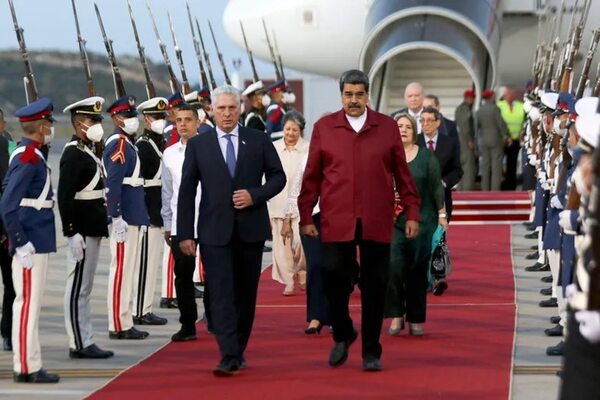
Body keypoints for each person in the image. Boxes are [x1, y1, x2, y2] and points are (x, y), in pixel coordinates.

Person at [298, 69, 420, 372]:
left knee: (375, 286)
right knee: (332, 276)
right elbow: (311, 177)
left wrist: (412, 212)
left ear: (368, 95)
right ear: (341, 95)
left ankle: (371, 351)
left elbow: (403, 177)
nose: (353, 100)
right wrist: (305, 215)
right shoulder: (324, 128)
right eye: (348, 94)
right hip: (335, 219)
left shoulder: (387, 127)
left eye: (359, 94)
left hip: (376, 220)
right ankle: (342, 332)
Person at [177, 85, 286, 376]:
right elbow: (186, 191)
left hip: (250, 230)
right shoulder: (200, 145)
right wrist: (185, 233)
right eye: (221, 108)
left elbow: (278, 177)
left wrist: (255, 194)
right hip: (214, 232)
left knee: (245, 294)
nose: (226, 114)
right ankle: (228, 353)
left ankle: (237, 347)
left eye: (231, 108)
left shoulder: (258, 139)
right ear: (211, 110)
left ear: (240, 108)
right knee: (221, 293)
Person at [1, 98, 59, 383]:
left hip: (37, 238)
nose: (51, 129)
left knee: (31, 305)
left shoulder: (34, 154)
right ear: (41, 126)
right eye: (49, 124)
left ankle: (30, 362)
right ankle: (26, 366)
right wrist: (19, 241)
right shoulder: (27, 157)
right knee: (26, 305)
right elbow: (8, 203)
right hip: (30, 242)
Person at [58, 96, 114, 359]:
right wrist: (71, 231)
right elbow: (65, 195)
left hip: (93, 225)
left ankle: (85, 337)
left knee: (85, 287)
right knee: (78, 287)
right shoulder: (72, 153)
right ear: (79, 123)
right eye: (93, 120)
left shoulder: (88, 150)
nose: (97, 125)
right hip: (81, 227)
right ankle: (79, 342)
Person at [385, 113, 447, 336]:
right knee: (393, 267)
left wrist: (442, 215)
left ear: (414, 132)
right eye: (398, 126)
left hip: (422, 220)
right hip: (392, 222)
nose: (402, 130)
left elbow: (436, 188)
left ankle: (416, 318)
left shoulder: (426, 158)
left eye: (407, 127)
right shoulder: (386, 157)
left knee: (417, 271)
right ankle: (395, 315)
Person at [103, 95, 150, 340]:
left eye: (134, 115)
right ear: (117, 119)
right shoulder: (119, 144)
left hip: (133, 214)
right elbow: (113, 182)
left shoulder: (126, 143)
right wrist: (116, 215)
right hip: (125, 217)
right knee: (121, 269)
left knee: (127, 269)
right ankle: (118, 324)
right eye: (128, 116)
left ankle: (125, 319)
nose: (133, 120)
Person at [161, 103, 203, 342]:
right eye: (179, 120)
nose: (183, 124)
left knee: (215, 275)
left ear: (198, 122)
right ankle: (187, 324)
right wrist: (168, 222)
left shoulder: (210, 149)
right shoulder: (169, 154)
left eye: (188, 119)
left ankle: (216, 319)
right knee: (183, 276)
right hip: (181, 223)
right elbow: (167, 192)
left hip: (208, 220)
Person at [282, 150, 330, 334]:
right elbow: (296, 190)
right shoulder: (307, 156)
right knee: (316, 265)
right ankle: (316, 317)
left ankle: (335, 314)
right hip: (312, 217)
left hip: (340, 216)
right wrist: (287, 219)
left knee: (336, 267)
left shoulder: (348, 151)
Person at [133, 97, 170, 326]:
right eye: (157, 117)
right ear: (146, 119)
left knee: (152, 261)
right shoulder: (143, 145)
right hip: (148, 211)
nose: (161, 121)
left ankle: (145, 307)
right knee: (145, 264)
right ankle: (140, 310)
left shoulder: (158, 141)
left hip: (158, 211)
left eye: (162, 117)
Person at [268, 110, 308, 295]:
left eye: (295, 130)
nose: (291, 133)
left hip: (301, 204)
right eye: (288, 129)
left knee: (301, 242)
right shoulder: (273, 148)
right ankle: (288, 281)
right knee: (282, 247)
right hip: (278, 202)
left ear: (301, 131)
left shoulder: (308, 149)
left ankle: (302, 270)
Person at [417, 106, 463, 219]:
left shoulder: (450, 143)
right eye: (422, 120)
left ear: (438, 122)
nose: (425, 123)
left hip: (442, 199)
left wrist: (444, 183)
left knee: (440, 235)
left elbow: (457, 170)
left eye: (429, 120)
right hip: (418, 200)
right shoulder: (414, 142)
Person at [475, 89, 510, 191]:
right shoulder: (495, 109)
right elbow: (500, 123)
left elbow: (476, 126)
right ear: (491, 97)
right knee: (496, 166)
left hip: (483, 140)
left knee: (485, 166)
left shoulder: (479, 110)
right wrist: (506, 135)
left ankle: (485, 189)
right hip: (495, 140)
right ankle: (495, 190)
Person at [0, 107, 14, 352]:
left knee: (13, 286)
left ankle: (9, 331)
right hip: (5, 228)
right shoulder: (7, 143)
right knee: (12, 285)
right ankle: (9, 333)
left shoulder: (9, 144)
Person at [497, 86, 526, 190]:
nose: (507, 96)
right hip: (502, 139)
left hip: (515, 140)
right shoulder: (499, 105)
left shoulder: (521, 106)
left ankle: (510, 185)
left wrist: (521, 134)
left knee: (512, 164)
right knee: (498, 164)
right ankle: (500, 184)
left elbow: (524, 121)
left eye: (509, 94)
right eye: (506, 94)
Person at [454, 90, 477, 190]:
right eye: (472, 98)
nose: (473, 101)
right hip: (465, 142)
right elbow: (465, 126)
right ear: (469, 98)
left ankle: (461, 191)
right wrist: (470, 140)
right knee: (468, 167)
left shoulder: (460, 109)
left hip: (461, 141)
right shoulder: (465, 109)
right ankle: (466, 192)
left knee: (463, 166)